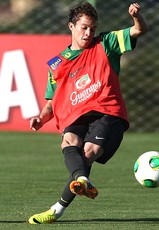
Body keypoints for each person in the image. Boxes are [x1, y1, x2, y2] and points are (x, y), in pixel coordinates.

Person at [28, 1, 148, 224]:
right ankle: (80, 182)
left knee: (88, 152)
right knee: (68, 141)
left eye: (92, 28)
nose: (88, 33)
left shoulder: (106, 43)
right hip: (77, 115)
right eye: (84, 27)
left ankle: (58, 208)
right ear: (71, 26)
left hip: (108, 112)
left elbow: (140, 30)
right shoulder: (57, 64)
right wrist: (41, 118)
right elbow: (52, 101)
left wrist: (136, 17)